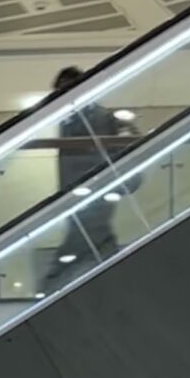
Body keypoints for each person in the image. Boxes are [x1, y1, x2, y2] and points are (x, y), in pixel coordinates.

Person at [38, 64, 124, 291]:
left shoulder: (100, 117)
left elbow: (104, 154)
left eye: (64, 91)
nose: (61, 98)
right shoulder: (68, 121)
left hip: (93, 191)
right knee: (94, 238)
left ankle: (49, 288)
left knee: (85, 238)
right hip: (77, 193)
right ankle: (113, 277)